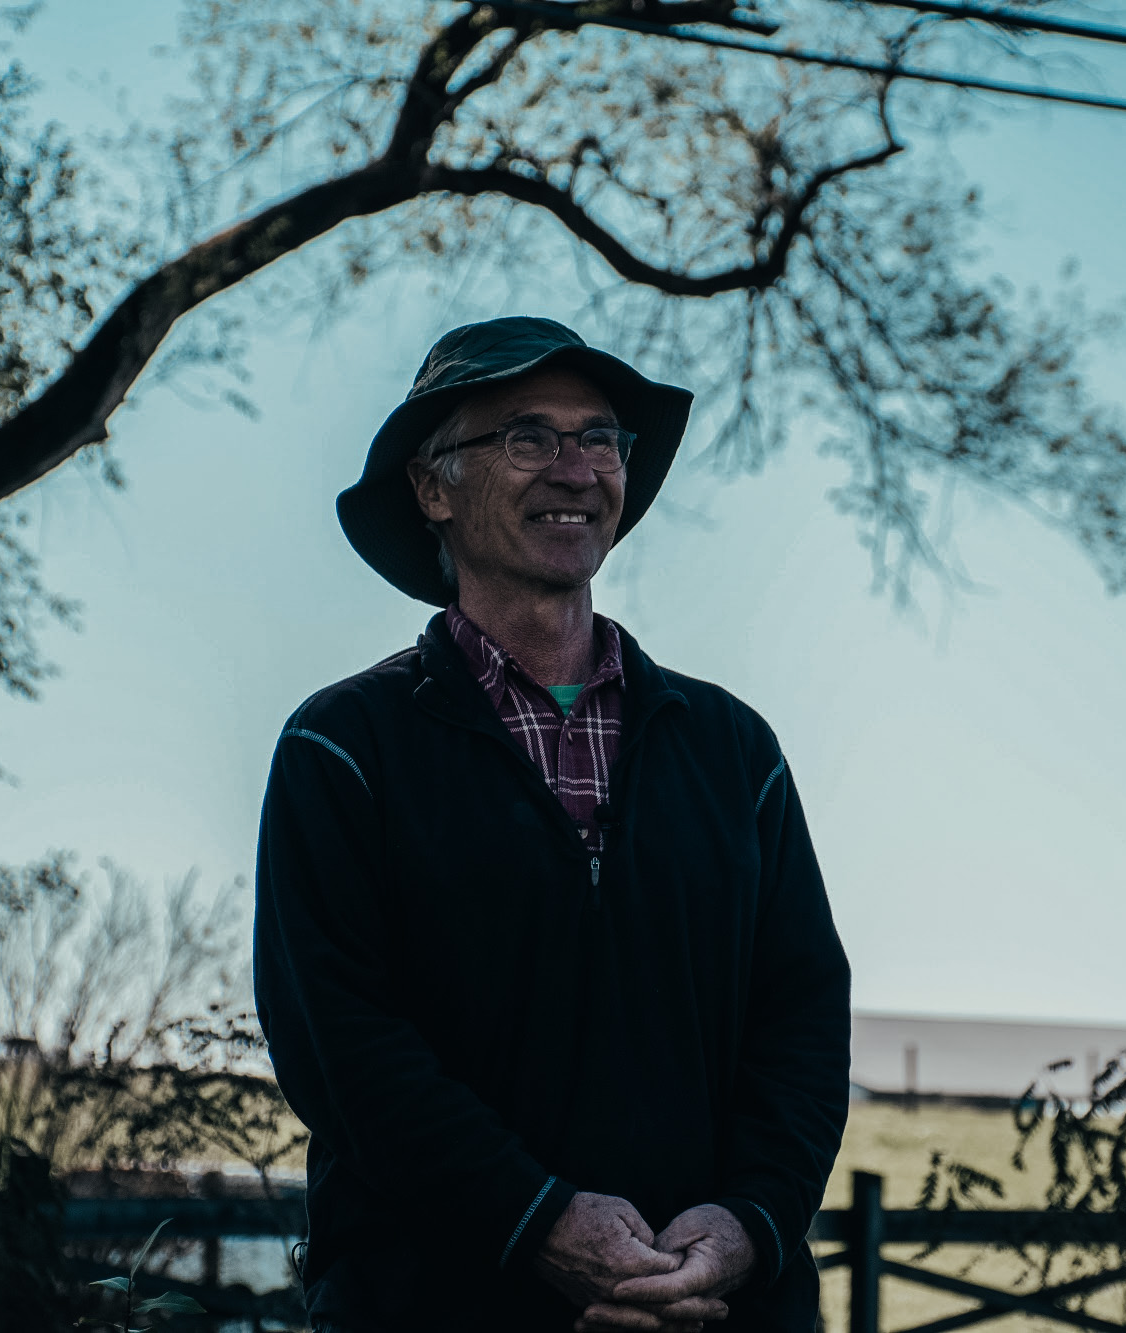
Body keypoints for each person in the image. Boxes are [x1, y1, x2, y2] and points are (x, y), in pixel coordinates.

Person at [254, 316, 851, 1332]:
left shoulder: (733, 750)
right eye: (527, 436)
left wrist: (746, 1223)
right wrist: (539, 1222)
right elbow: (343, 1044)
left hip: (713, 1310)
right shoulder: (343, 748)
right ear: (432, 487)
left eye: (599, 440)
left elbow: (798, 1020)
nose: (575, 469)